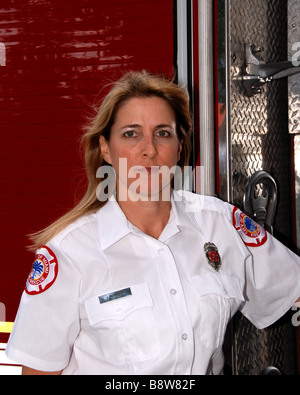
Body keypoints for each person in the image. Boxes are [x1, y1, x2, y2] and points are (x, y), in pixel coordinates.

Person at [6, 71, 300, 375]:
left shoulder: (219, 224)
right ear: (105, 148)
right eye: (131, 134)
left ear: (179, 147)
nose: (149, 149)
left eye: (163, 133)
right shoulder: (71, 254)